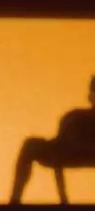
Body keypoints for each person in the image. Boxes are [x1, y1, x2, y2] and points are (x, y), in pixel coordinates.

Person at [10, 76, 95, 204]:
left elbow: (58, 157)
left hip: (76, 154)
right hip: (73, 154)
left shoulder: (74, 119)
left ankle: (14, 203)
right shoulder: (74, 119)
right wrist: (64, 200)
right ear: (90, 97)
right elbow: (58, 156)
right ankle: (15, 201)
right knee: (30, 145)